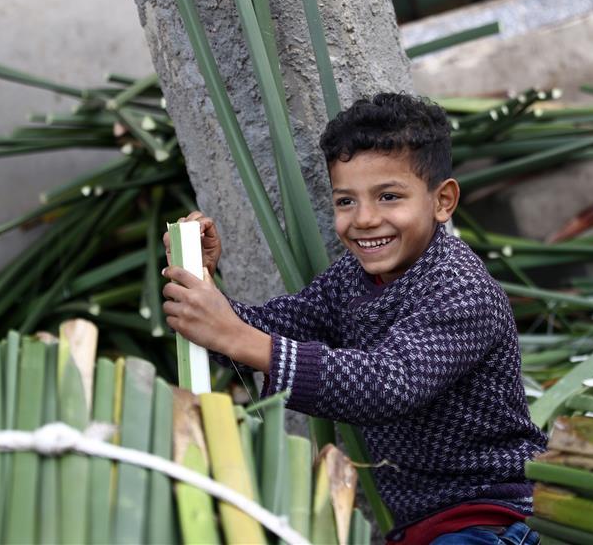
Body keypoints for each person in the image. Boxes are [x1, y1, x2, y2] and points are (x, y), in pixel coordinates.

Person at [162, 93, 547, 545]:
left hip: (491, 517)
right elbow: (269, 330)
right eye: (346, 201)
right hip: (421, 525)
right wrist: (204, 291)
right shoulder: (352, 278)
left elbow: (388, 384)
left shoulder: (462, 291)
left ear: (442, 201)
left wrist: (236, 335)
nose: (364, 219)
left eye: (388, 197)